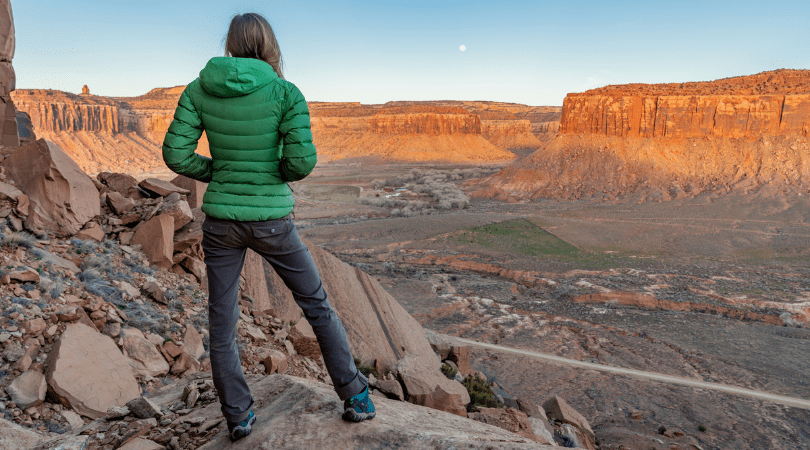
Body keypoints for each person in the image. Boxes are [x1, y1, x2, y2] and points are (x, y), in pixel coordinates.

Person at [162, 12, 375, 441]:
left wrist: (221, 173)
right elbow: (301, 162)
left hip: (221, 222)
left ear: (231, 44)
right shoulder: (285, 92)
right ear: (268, 44)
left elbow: (176, 155)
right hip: (273, 222)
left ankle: (238, 416)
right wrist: (265, 173)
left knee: (222, 320)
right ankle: (355, 397)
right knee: (316, 305)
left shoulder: (199, 89)